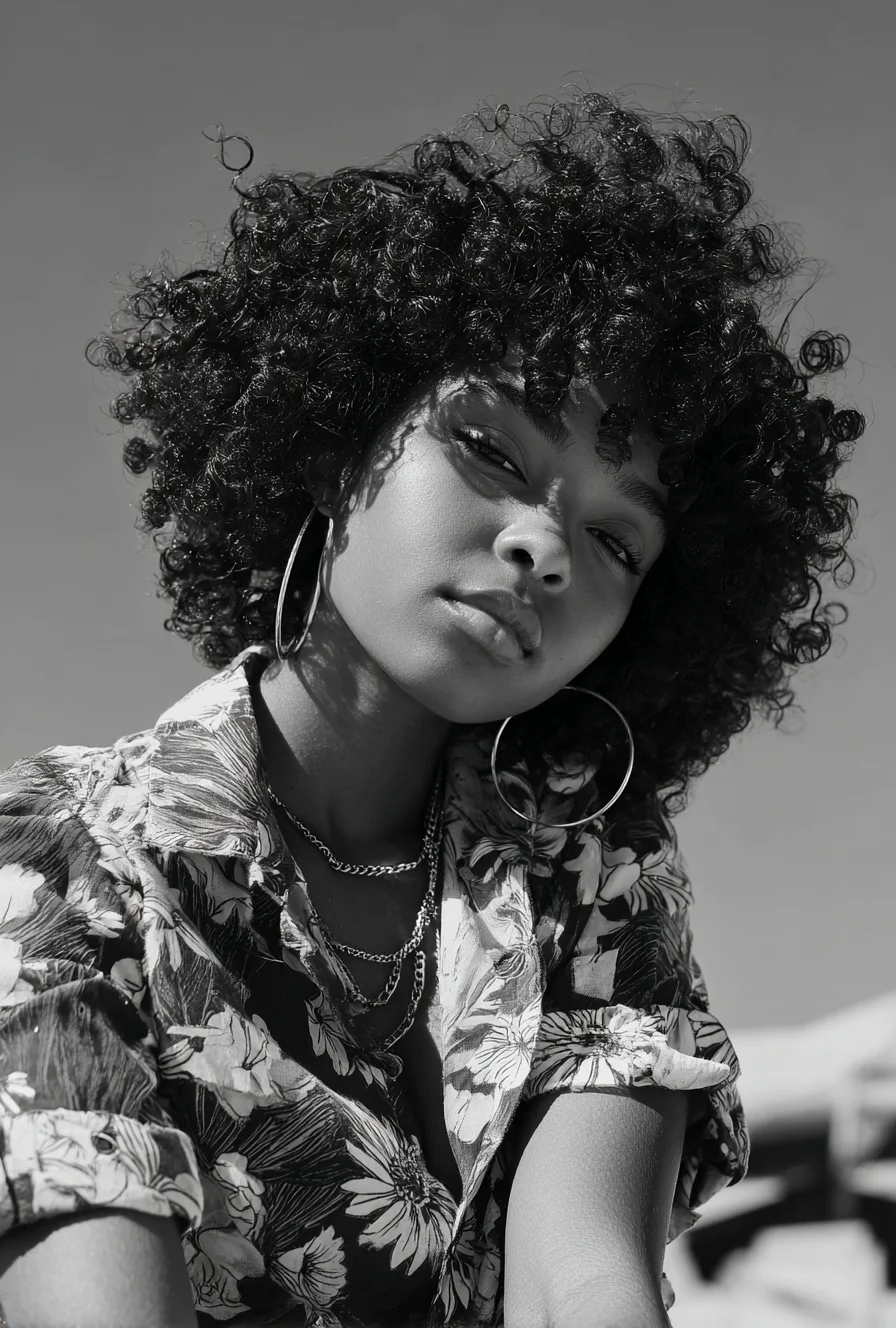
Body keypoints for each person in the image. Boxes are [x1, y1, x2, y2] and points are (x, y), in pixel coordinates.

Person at [0, 89, 864, 1328]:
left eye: (615, 539)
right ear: (337, 435)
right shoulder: (53, 858)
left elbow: (584, 1289)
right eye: (495, 451)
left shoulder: (590, 868)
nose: (543, 548)